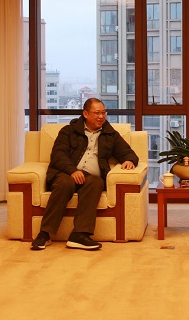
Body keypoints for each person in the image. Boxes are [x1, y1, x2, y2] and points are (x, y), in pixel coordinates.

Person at [31, 98, 138, 251]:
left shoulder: (110, 134)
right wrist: (73, 171)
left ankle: (79, 235)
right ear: (86, 114)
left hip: (90, 178)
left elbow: (128, 153)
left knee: (96, 182)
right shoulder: (68, 131)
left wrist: (129, 160)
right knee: (65, 183)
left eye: (103, 113)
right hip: (66, 173)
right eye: (97, 113)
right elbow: (58, 155)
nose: (101, 116)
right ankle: (45, 233)